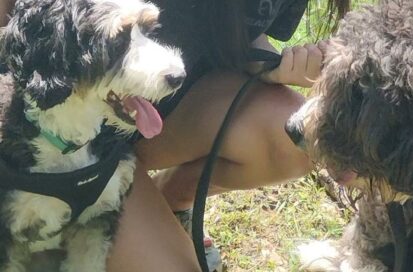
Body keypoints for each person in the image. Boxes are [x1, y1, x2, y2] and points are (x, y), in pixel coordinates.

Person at [0, 0, 350, 271]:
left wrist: (275, 66)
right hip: (55, 118)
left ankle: (171, 200)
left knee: (294, 134)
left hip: (139, 123)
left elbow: (245, 31)